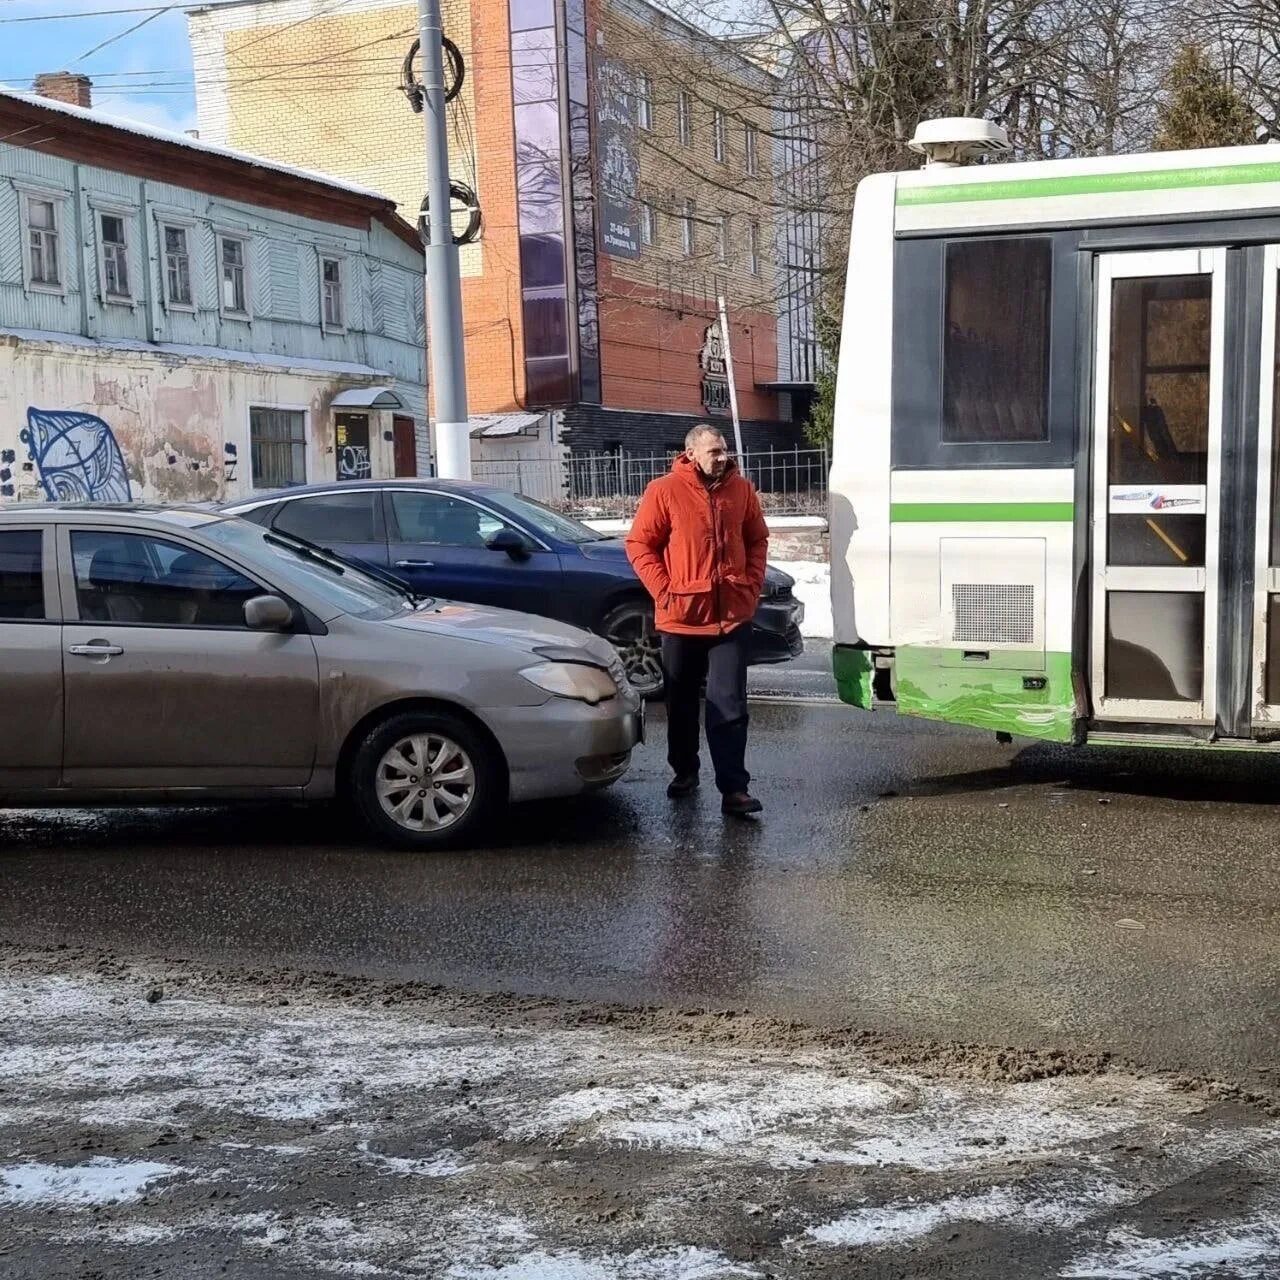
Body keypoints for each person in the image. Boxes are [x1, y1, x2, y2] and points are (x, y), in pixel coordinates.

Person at [625, 424, 768, 817]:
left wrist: (751, 584)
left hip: (731, 618)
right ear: (690, 454)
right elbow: (639, 544)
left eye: (723, 450)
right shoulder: (664, 491)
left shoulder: (741, 490)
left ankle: (734, 790)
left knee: (730, 704)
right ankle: (685, 770)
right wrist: (664, 590)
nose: (722, 457)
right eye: (713, 452)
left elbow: (757, 539)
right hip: (682, 618)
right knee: (682, 704)